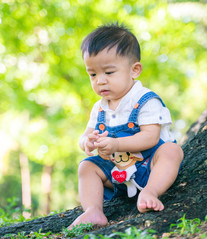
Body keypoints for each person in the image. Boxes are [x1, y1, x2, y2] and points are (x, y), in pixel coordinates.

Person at [69, 23, 184, 228]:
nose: (100, 81)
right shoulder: (100, 108)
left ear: (134, 70)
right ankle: (93, 210)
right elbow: (86, 134)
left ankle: (150, 192)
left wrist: (115, 144)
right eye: (93, 75)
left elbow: (150, 137)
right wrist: (86, 142)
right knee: (87, 166)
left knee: (171, 151)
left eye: (109, 72)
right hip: (119, 173)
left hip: (150, 168)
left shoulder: (145, 100)